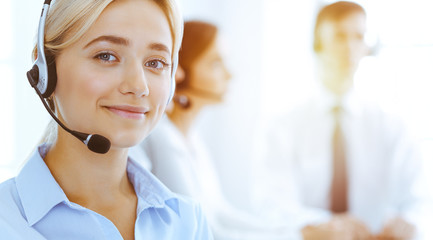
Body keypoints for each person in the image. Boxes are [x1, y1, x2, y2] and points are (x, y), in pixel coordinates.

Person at [0, 0, 213, 239]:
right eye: (106, 56)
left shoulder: (187, 222)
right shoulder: (6, 221)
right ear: (46, 70)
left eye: (155, 63)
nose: (138, 86)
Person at [255, 1, 431, 239]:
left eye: (358, 37)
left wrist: (409, 223)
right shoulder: (284, 126)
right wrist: (325, 227)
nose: (349, 47)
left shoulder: (391, 125)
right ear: (318, 42)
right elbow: (272, 204)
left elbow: (418, 199)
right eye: (339, 36)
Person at [134, 20, 293, 240]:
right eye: (216, 63)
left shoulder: (192, 138)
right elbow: (206, 232)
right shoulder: (163, 136)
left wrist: (295, 232)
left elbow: (222, 213)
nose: (229, 75)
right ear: (182, 69)